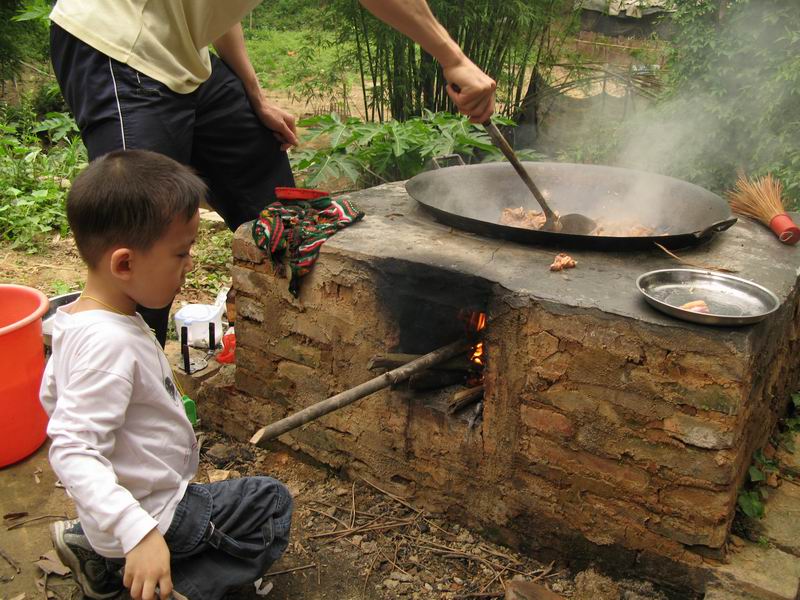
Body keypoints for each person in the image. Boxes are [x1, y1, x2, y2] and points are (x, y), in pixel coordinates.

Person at [48, 0, 497, 347]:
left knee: (273, 207)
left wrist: (254, 95)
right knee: (142, 229)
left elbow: (219, 11)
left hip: (188, 56)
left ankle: (289, 346)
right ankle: (122, 400)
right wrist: (451, 56)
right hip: (118, 45)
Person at [40, 149, 293, 600]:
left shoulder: (80, 320)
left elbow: (56, 401)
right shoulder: (107, 343)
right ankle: (157, 587)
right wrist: (138, 533)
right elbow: (73, 446)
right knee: (271, 503)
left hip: (127, 509)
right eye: (181, 252)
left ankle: (98, 551)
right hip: (155, 512)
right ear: (124, 264)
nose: (190, 264)